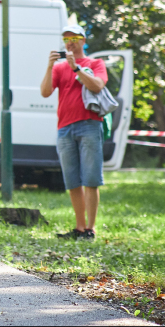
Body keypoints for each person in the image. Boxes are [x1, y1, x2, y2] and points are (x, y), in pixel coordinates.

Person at [40, 24, 108, 240]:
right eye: (66, 38)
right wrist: (50, 66)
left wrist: (77, 68)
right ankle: (79, 228)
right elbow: (45, 92)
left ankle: (91, 228)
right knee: (72, 180)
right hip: (65, 128)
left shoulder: (95, 63)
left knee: (90, 178)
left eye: (75, 37)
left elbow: (97, 85)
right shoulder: (59, 68)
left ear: (83, 40)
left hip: (89, 124)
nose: (70, 42)